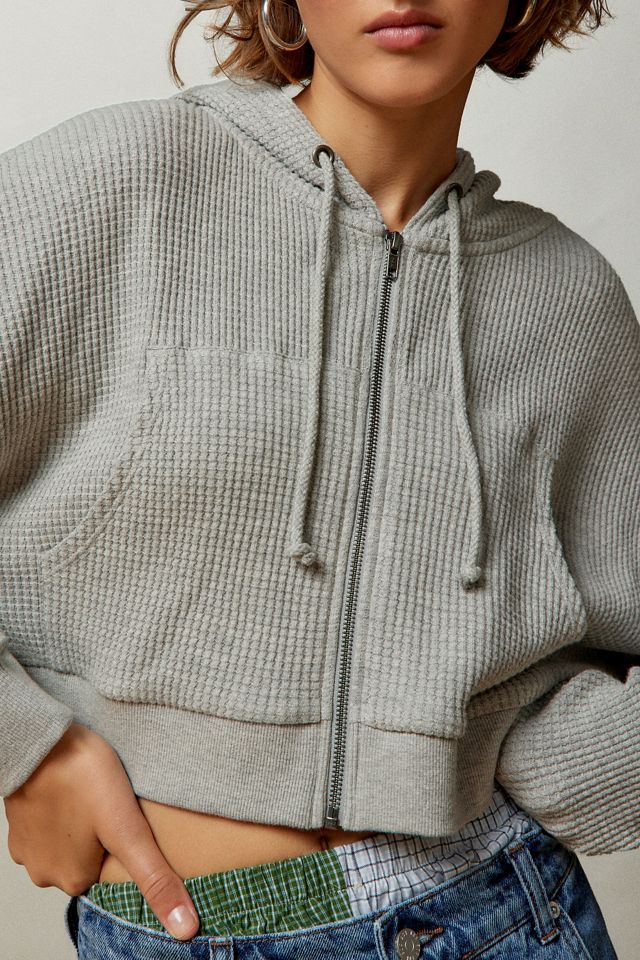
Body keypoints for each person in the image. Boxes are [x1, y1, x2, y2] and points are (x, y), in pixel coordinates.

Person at [0, 0, 635, 956]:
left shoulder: (566, 298)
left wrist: (560, 753)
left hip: (500, 913)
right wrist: (24, 746)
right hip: (183, 926)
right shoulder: (125, 184)